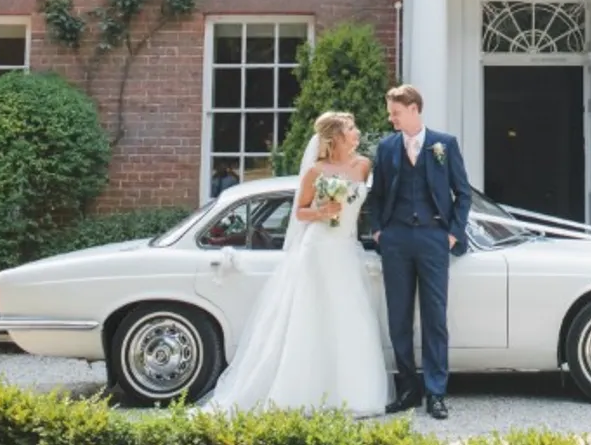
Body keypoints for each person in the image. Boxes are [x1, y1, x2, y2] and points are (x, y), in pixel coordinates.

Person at [201, 110, 388, 415]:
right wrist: (322, 212)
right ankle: (300, 393)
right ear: (337, 137)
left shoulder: (363, 165)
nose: (357, 132)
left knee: (349, 316)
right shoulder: (316, 171)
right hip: (318, 248)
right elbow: (299, 212)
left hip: (345, 249)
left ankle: (351, 394)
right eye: (351, 128)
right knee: (312, 316)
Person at [371, 84, 471, 421]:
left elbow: (463, 193)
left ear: (413, 108)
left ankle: (436, 392)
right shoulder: (386, 147)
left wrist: (453, 234)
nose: (391, 118)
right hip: (396, 240)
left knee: (434, 317)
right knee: (398, 317)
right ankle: (408, 390)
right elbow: (377, 195)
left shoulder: (445, 144)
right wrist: (379, 231)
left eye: (395, 112)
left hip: (433, 239)